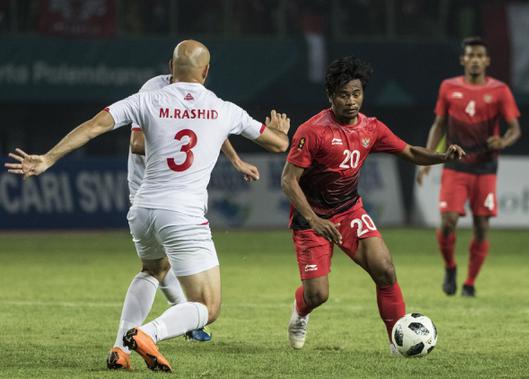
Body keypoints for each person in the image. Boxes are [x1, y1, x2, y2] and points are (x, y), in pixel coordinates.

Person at [5, 40, 290, 372]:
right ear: (207, 72)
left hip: (143, 210)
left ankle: (119, 348)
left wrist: (48, 158)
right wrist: (278, 131)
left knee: (153, 270)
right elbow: (277, 144)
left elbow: (94, 126)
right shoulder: (224, 108)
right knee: (208, 307)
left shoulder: (147, 99)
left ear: (171, 67)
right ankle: (145, 333)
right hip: (182, 215)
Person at [281, 56, 465, 352]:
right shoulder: (312, 131)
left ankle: (397, 340)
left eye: (356, 94)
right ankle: (300, 312)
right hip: (312, 218)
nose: (351, 101)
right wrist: (315, 220)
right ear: (330, 96)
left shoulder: (372, 128)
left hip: (349, 210)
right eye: (343, 95)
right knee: (318, 295)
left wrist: (443, 156)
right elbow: (288, 181)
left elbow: (409, 152)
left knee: (385, 269)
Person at [105, 70, 262, 370]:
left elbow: (210, 128)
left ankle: (121, 348)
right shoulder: (155, 89)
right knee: (201, 299)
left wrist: (235, 159)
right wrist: (177, 141)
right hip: (156, 190)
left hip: (156, 201)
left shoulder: (197, 95)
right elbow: (137, 143)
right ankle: (174, 321)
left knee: (155, 268)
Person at [416, 36, 522, 298]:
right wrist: (428, 159)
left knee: (481, 227)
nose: (475, 60)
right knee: (448, 222)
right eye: (470, 56)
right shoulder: (448, 87)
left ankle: (470, 282)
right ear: (463, 59)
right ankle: (450, 267)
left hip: (485, 167)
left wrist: (503, 141)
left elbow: (515, 129)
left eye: (479, 56)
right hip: (456, 166)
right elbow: (439, 124)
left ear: (486, 61)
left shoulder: (499, 90)